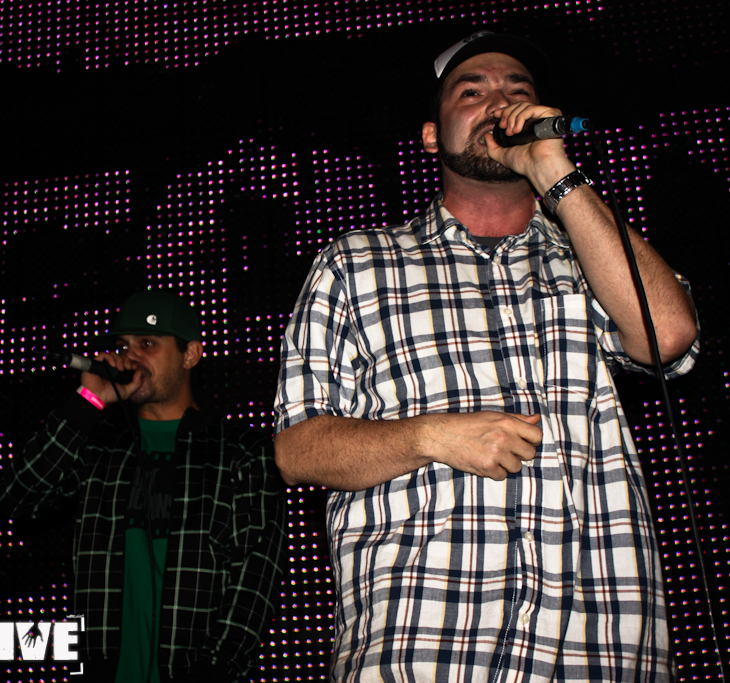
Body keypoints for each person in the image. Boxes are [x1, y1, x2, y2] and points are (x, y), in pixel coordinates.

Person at [273, 30, 699, 682]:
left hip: (595, 649)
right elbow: (297, 450)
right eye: (471, 93)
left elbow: (668, 335)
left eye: (517, 90)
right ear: (430, 136)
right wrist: (430, 436)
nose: (500, 103)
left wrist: (555, 173)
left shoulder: (590, 255)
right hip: (422, 649)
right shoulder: (355, 263)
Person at [0, 289, 285, 682]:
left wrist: (212, 673)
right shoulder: (100, 445)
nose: (130, 357)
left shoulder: (239, 450)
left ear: (190, 354)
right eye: (122, 346)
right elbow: (16, 498)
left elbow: (254, 581)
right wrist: (87, 401)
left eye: (147, 344)